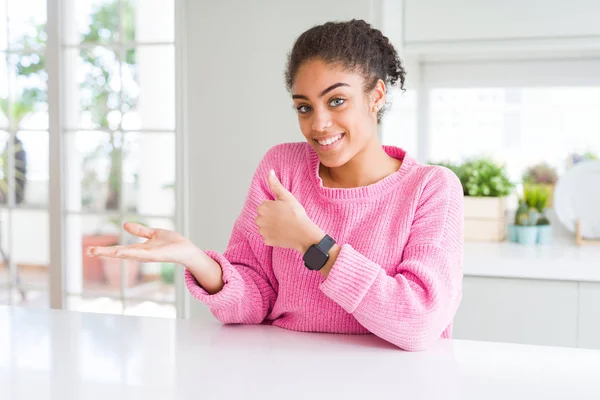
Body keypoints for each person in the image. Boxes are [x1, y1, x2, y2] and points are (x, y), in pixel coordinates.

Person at [87, 19, 464, 351]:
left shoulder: (431, 188)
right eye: (304, 107)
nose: (318, 124)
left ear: (376, 96)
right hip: (281, 376)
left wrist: (313, 244)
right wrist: (196, 259)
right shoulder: (283, 168)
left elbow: (419, 324)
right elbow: (254, 301)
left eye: (336, 101)